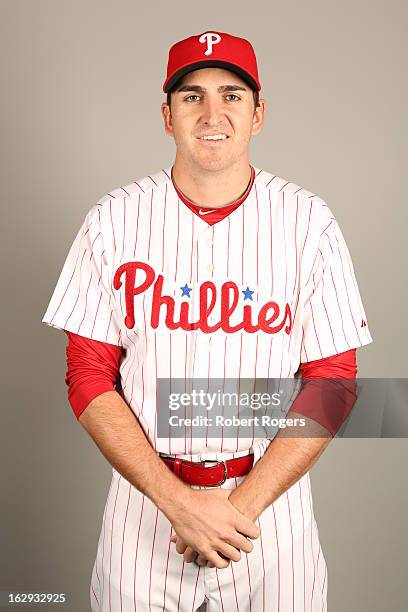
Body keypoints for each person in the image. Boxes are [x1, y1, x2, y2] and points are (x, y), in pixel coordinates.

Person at [42, 30, 373, 611]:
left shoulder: (308, 223)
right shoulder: (112, 220)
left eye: (232, 95)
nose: (212, 113)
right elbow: (88, 375)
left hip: (270, 517)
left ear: (258, 113)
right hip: (144, 512)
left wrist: (238, 509)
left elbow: (333, 382)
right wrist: (179, 504)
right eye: (192, 97)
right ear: (167, 115)